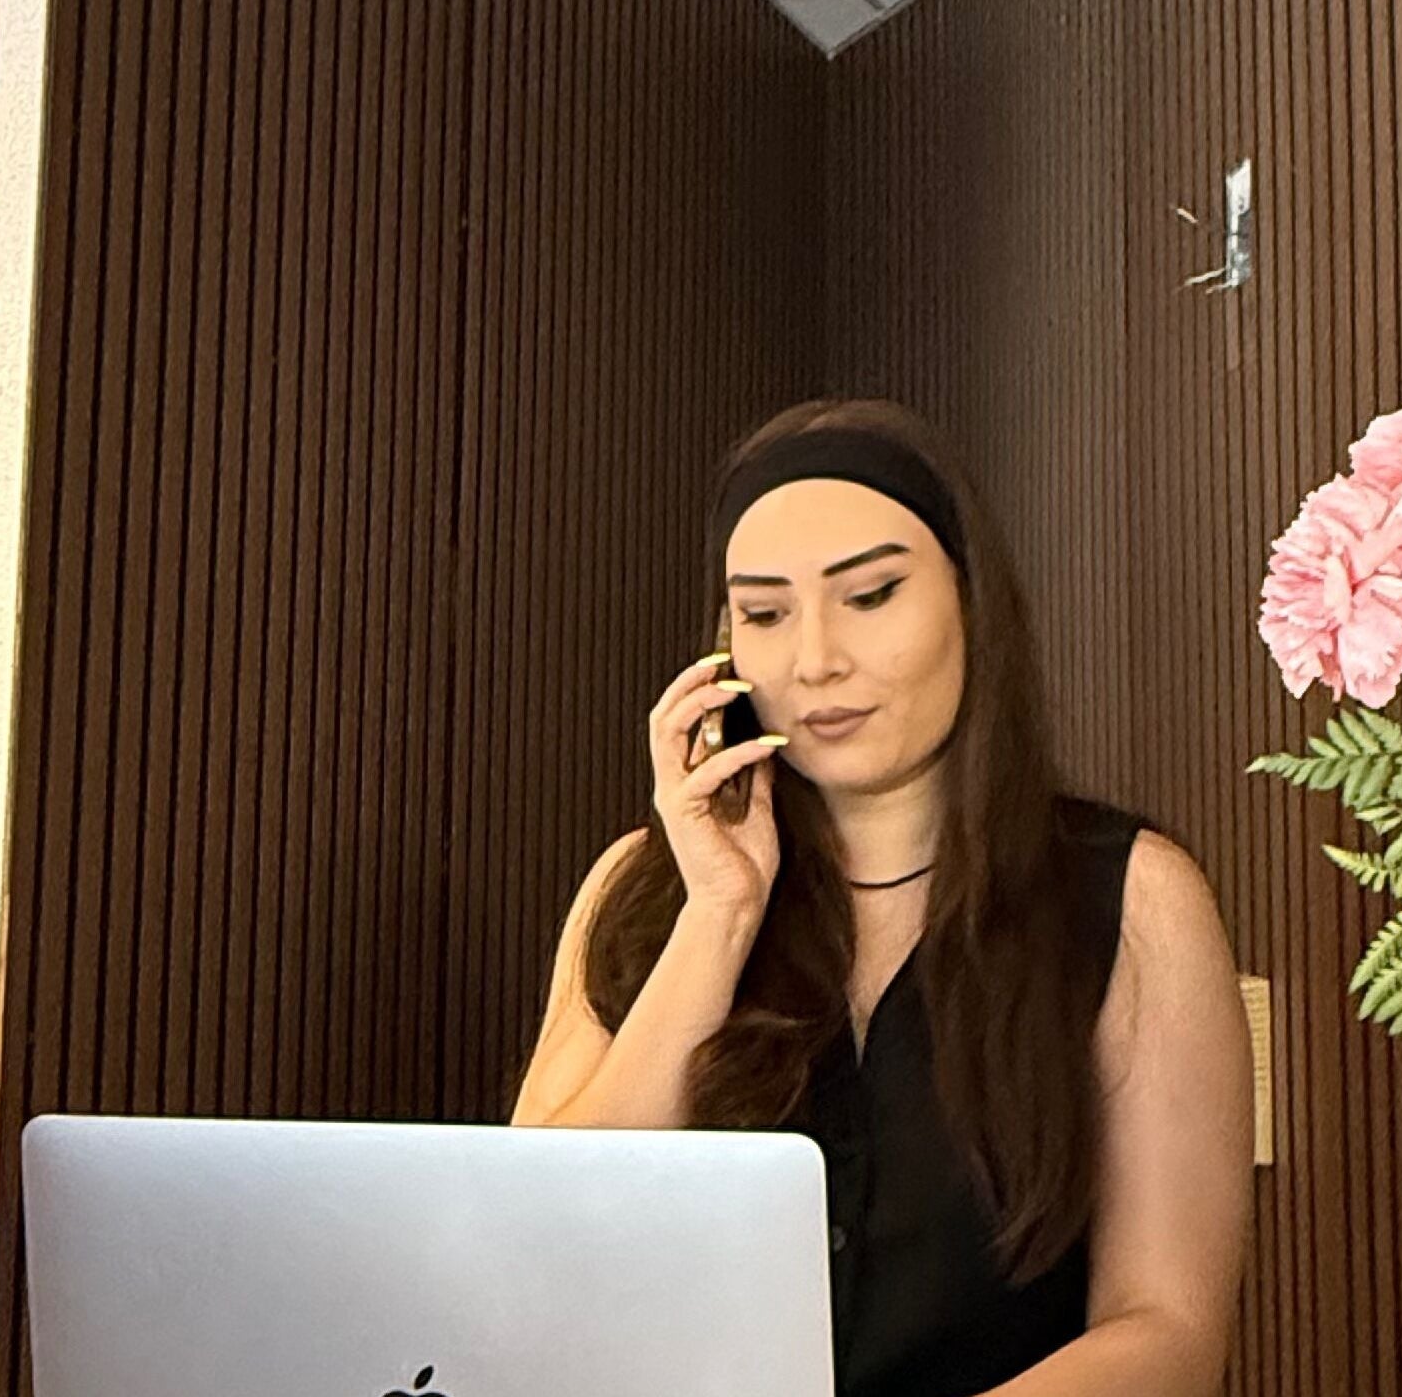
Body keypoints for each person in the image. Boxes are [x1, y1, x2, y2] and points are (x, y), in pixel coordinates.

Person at [512, 398, 1252, 1397]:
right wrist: (718, 917)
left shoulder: (1132, 896)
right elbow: (536, 1250)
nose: (816, 658)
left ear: (968, 599)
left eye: (869, 596)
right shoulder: (644, 890)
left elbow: (1168, 1330)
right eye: (765, 613)